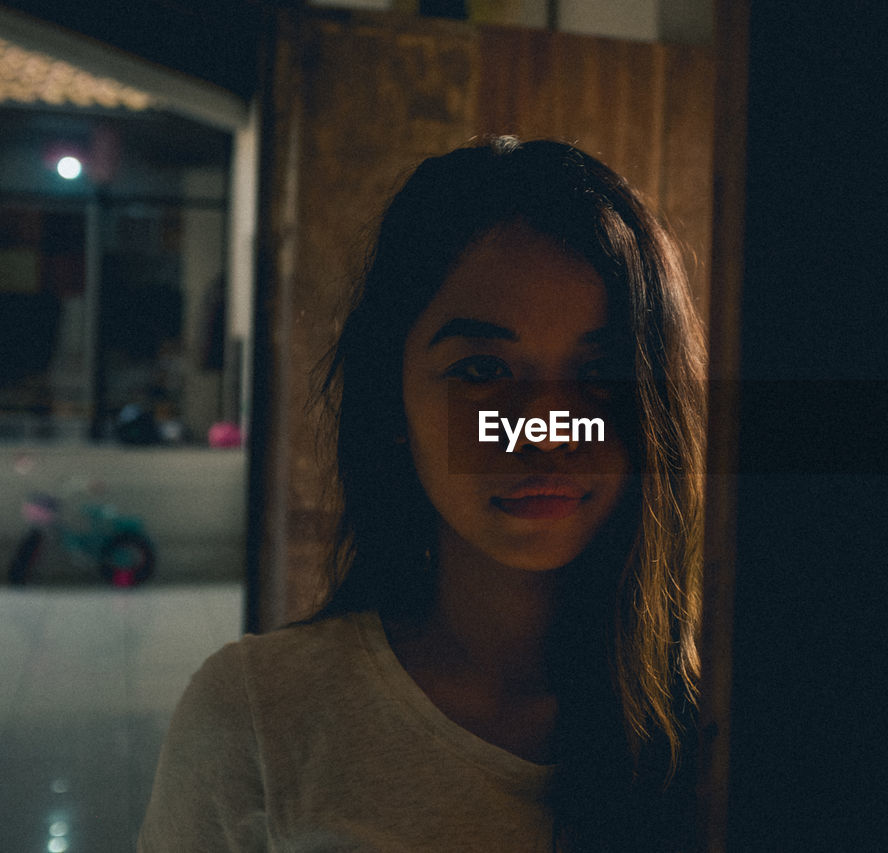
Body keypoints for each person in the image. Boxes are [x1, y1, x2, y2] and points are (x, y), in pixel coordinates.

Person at [138, 137, 707, 852]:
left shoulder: (723, 725)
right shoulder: (259, 718)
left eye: (601, 369)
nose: (542, 430)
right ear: (392, 404)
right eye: (481, 368)